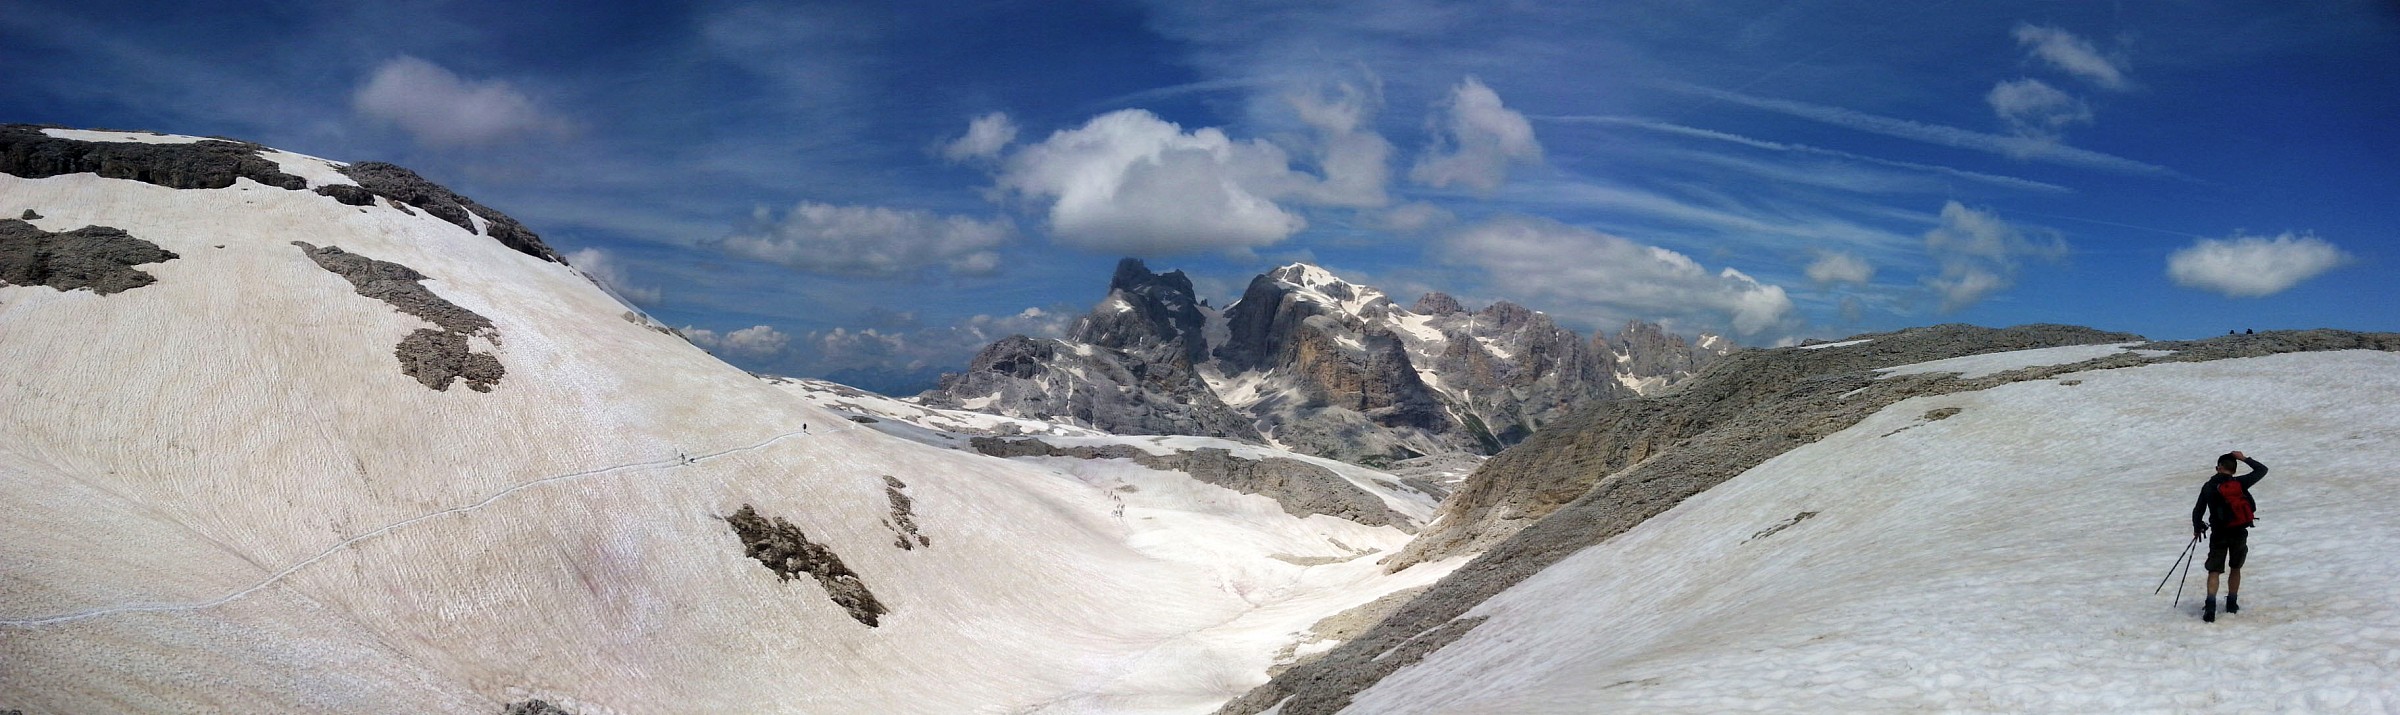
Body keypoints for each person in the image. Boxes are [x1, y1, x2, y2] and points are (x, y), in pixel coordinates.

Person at [2191, 451, 2268, 622]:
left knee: (2214, 570)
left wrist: (2197, 528)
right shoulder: (2239, 483)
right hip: (2239, 532)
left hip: (2219, 533)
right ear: (2233, 469)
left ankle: (2210, 606)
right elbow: (2262, 470)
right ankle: (2232, 603)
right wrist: (2244, 458)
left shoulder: (2209, 486)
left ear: (2219, 467)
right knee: (2235, 567)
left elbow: (2198, 510)